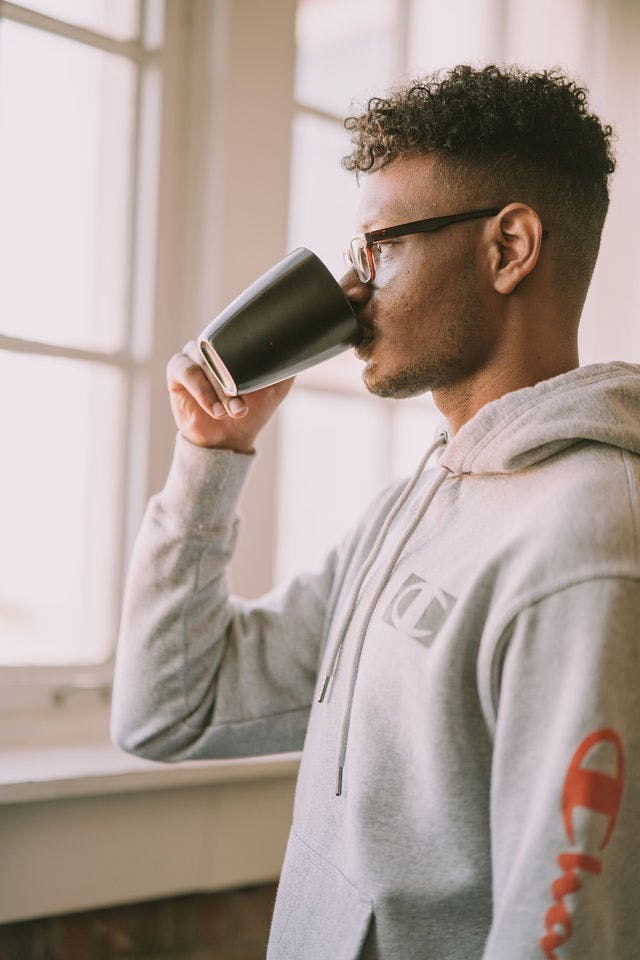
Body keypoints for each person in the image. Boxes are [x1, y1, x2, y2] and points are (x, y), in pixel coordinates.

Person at [111, 64, 640, 959]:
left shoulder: (588, 546)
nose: (350, 295)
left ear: (509, 248)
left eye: (377, 248)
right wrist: (212, 456)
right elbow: (172, 709)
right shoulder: (414, 506)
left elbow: (568, 936)